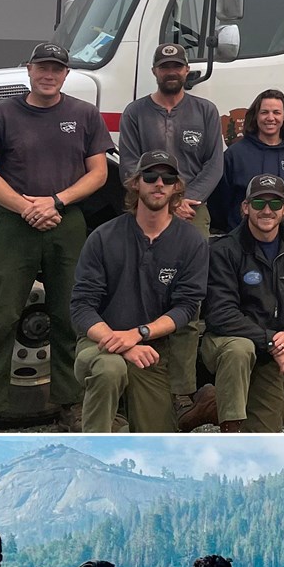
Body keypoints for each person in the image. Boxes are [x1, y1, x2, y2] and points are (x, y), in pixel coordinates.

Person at [0, 42, 111, 432]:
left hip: (67, 222)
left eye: (56, 69)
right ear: (29, 70)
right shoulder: (2, 114)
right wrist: (25, 206)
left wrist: (56, 202)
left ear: (65, 74)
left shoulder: (84, 114)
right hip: (14, 225)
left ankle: (71, 404)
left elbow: (99, 173)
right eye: (42, 67)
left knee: (69, 314)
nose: (49, 75)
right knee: (1, 314)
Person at [117, 42, 225, 429]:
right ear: (155, 70)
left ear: (186, 71)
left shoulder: (205, 111)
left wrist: (186, 198)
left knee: (189, 305)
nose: (171, 72)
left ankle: (181, 391)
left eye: (177, 66)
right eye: (165, 66)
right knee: (137, 294)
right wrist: (160, 197)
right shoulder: (135, 113)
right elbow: (128, 163)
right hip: (143, 211)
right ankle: (137, 387)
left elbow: (215, 163)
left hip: (192, 213)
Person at [69, 149, 210, 432]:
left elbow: (185, 308)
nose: (159, 183)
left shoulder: (192, 241)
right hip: (99, 344)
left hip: (151, 351)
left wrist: (139, 335)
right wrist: (120, 342)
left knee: (156, 439)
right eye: (151, 176)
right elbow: (81, 308)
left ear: (176, 188)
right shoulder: (103, 237)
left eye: (168, 178)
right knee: (110, 370)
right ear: (136, 183)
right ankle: (96, 443)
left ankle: (120, 423)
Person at [203, 173, 284, 431]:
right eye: (258, 203)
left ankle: (210, 404)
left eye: (274, 204)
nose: (266, 210)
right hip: (228, 342)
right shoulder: (225, 250)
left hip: (274, 348)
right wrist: (271, 341)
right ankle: (230, 429)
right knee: (240, 350)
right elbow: (221, 314)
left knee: (268, 429)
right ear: (245, 207)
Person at [207, 87, 284, 233]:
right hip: (243, 238)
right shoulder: (235, 154)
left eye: (276, 112)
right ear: (255, 116)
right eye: (264, 112)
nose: (270, 118)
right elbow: (220, 202)